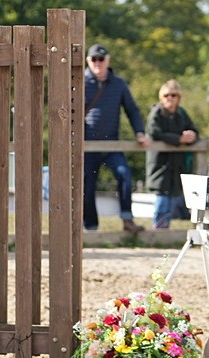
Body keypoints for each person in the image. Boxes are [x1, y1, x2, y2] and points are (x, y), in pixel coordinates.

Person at [83, 43, 149, 233]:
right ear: (88, 61)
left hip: (112, 144)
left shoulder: (118, 83)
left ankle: (127, 220)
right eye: (94, 59)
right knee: (87, 184)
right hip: (88, 145)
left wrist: (139, 132)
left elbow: (132, 110)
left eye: (101, 59)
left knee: (125, 175)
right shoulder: (80, 82)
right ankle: (91, 227)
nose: (97, 62)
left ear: (107, 61)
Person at [145, 79, 199, 230]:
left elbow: (194, 131)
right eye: (167, 95)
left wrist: (191, 136)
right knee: (162, 198)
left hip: (176, 165)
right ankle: (159, 231)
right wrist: (178, 139)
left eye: (173, 95)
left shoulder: (181, 114)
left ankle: (165, 231)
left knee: (172, 201)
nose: (170, 98)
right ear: (161, 97)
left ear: (178, 97)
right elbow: (153, 133)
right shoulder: (156, 113)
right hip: (160, 164)